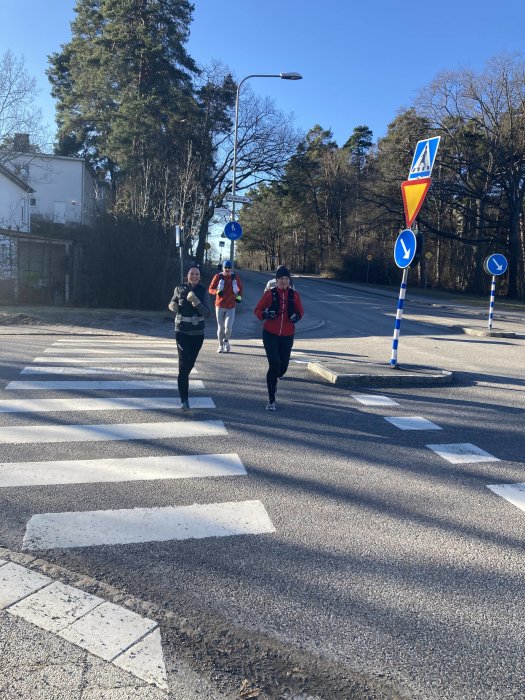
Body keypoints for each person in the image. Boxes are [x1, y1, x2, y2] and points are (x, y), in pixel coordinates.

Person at [254, 265, 304, 411]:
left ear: (289, 281)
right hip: (270, 334)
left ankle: (275, 381)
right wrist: (265, 315)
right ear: (276, 280)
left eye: (286, 279)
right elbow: (257, 310)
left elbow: (301, 312)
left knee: (283, 367)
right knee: (274, 363)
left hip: (287, 335)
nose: (283, 281)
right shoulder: (270, 294)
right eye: (281, 278)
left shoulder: (294, 296)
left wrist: (296, 317)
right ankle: (271, 399)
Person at [168, 265, 210, 410]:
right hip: (181, 332)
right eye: (192, 273)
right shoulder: (179, 288)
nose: (194, 276)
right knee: (184, 365)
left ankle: (183, 379)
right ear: (187, 275)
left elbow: (207, 313)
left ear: (200, 277)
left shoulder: (203, 291)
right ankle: (184, 400)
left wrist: (196, 302)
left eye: (197, 274)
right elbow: (172, 302)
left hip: (197, 334)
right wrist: (172, 305)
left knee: (189, 364)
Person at [208, 260, 243, 353]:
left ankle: (226, 341)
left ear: (231, 268)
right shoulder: (218, 277)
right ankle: (220, 345)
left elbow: (240, 289)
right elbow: (210, 289)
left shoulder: (235, 277)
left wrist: (239, 297)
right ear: (223, 268)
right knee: (221, 327)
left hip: (231, 306)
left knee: (228, 327)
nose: (227, 269)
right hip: (219, 305)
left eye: (229, 268)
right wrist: (216, 292)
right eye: (225, 268)